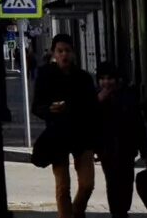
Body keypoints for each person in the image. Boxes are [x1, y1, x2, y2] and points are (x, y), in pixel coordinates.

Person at [33, 33, 98, 218]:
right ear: (54, 53)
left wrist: (96, 140)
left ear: (73, 53)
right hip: (58, 136)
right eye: (60, 51)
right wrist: (49, 109)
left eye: (67, 51)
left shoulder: (83, 78)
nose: (64, 55)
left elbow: (92, 109)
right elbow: (36, 106)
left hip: (82, 136)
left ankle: (77, 211)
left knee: (87, 184)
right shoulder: (46, 75)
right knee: (63, 187)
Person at [93, 60, 147, 217]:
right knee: (112, 184)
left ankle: (122, 210)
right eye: (103, 78)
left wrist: (146, 153)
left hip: (127, 150)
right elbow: (89, 123)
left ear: (117, 79)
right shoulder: (95, 98)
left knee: (126, 184)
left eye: (110, 78)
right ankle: (118, 213)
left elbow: (139, 126)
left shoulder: (128, 96)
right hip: (107, 151)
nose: (106, 82)